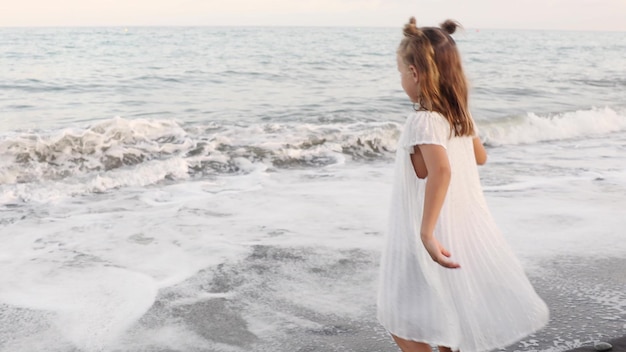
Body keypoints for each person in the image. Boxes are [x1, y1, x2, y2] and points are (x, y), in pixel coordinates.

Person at [376, 17, 549, 352]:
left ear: (414, 73)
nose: (400, 79)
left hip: (425, 233)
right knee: (447, 317)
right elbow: (479, 158)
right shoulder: (457, 117)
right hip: (455, 230)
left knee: (397, 315)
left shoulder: (423, 120)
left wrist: (426, 233)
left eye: (399, 71)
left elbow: (441, 171)